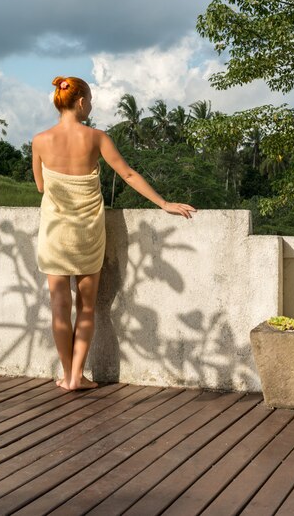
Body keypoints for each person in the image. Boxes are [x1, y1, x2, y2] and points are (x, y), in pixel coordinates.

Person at [32, 76, 197, 392]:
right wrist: (164, 203)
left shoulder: (40, 140)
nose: (90, 106)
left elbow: (41, 186)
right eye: (90, 101)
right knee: (88, 307)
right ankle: (78, 375)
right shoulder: (96, 138)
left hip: (54, 232)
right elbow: (129, 174)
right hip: (86, 233)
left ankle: (67, 376)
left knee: (58, 307)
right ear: (81, 102)